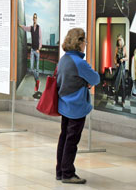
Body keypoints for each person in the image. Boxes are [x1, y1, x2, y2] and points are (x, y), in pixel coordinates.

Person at [56, 28, 100, 184]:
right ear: (79, 43)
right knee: (72, 140)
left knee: (64, 137)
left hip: (64, 105)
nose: (86, 45)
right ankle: (68, 173)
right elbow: (95, 79)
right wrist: (85, 82)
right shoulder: (79, 62)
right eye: (85, 41)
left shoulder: (64, 59)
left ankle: (60, 171)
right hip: (76, 106)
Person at [19, 13, 42, 92]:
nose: (35, 19)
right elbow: (25, 28)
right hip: (32, 50)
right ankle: (37, 80)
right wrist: (19, 25)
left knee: (37, 68)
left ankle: (37, 84)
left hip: (37, 51)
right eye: (34, 18)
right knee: (32, 68)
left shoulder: (39, 28)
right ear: (33, 19)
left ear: (37, 19)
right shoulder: (31, 28)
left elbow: (40, 39)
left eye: (36, 17)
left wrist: (39, 49)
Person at [114, 34, 128, 106]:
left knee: (122, 85)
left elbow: (127, 57)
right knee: (116, 83)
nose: (119, 41)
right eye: (118, 40)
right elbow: (115, 57)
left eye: (120, 39)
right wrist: (115, 62)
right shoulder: (117, 47)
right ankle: (116, 99)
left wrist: (123, 59)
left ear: (122, 40)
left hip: (122, 67)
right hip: (118, 67)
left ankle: (123, 101)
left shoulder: (124, 47)